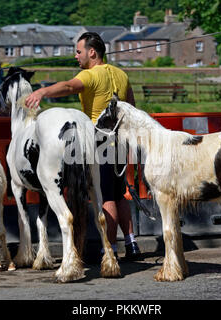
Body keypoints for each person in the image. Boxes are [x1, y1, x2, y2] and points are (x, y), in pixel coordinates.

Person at [25, 32, 141, 261]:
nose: (76, 57)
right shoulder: (121, 74)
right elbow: (132, 106)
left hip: (100, 141)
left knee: (105, 196)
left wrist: (42, 91)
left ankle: (110, 249)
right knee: (119, 194)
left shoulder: (91, 75)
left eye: (79, 52)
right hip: (119, 140)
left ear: (92, 52)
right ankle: (132, 243)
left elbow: (69, 86)